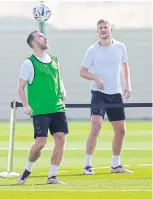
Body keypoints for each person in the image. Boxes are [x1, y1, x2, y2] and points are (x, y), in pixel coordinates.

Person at [80, 19, 133, 175]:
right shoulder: (92, 50)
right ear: (97, 32)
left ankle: (115, 165)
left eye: (105, 27)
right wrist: (95, 78)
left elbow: (125, 66)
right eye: (100, 28)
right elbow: (82, 71)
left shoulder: (120, 47)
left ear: (111, 30)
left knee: (121, 130)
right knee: (96, 126)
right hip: (98, 93)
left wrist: (128, 85)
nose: (103, 30)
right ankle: (87, 165)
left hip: (115, 93)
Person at [17, 30, 68, 184]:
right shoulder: (29, 63)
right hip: (40, 110)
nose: (45, 37)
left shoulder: (54, 60)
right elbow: (20, 88)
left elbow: (58, 78)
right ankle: (27, 169)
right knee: (40, 143)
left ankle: (52, 176)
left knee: (60, 139)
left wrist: (63, 89)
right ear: (34, 43)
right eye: (40, 37)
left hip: (58, 107)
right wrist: (26, 105)